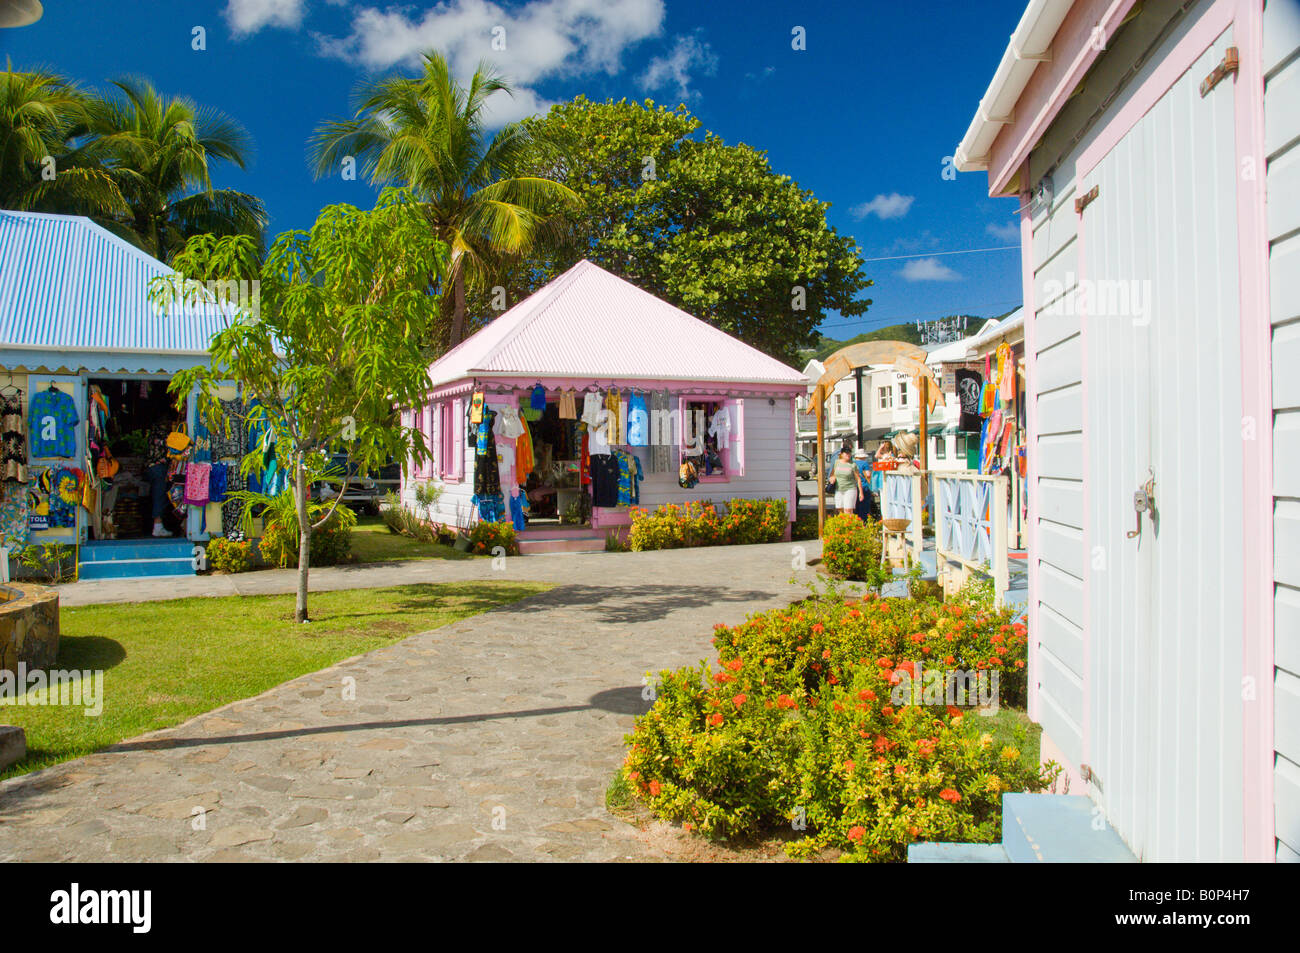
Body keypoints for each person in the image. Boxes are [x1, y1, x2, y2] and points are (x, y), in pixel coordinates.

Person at [832, 447, 862, 515]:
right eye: (846, 453)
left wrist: (861, 492)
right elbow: (833, 473)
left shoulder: (852, 465)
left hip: (850, 488)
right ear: (842, 454)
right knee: (840, 508)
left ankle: (849, 524)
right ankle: (842, 524)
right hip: (839, 489)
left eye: (849, 453)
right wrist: (832, 478)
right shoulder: (837, 462)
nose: (848, 455)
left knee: (848, 509)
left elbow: (858, 478)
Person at [852, 448, 876, 520]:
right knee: (864, 507)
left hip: (854, 487)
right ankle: (863, 522)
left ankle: (856, 522)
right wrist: (872, 488)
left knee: (855, 506)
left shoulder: (852, 463)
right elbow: (868, 475)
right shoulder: (864, 463)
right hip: (863, 487)